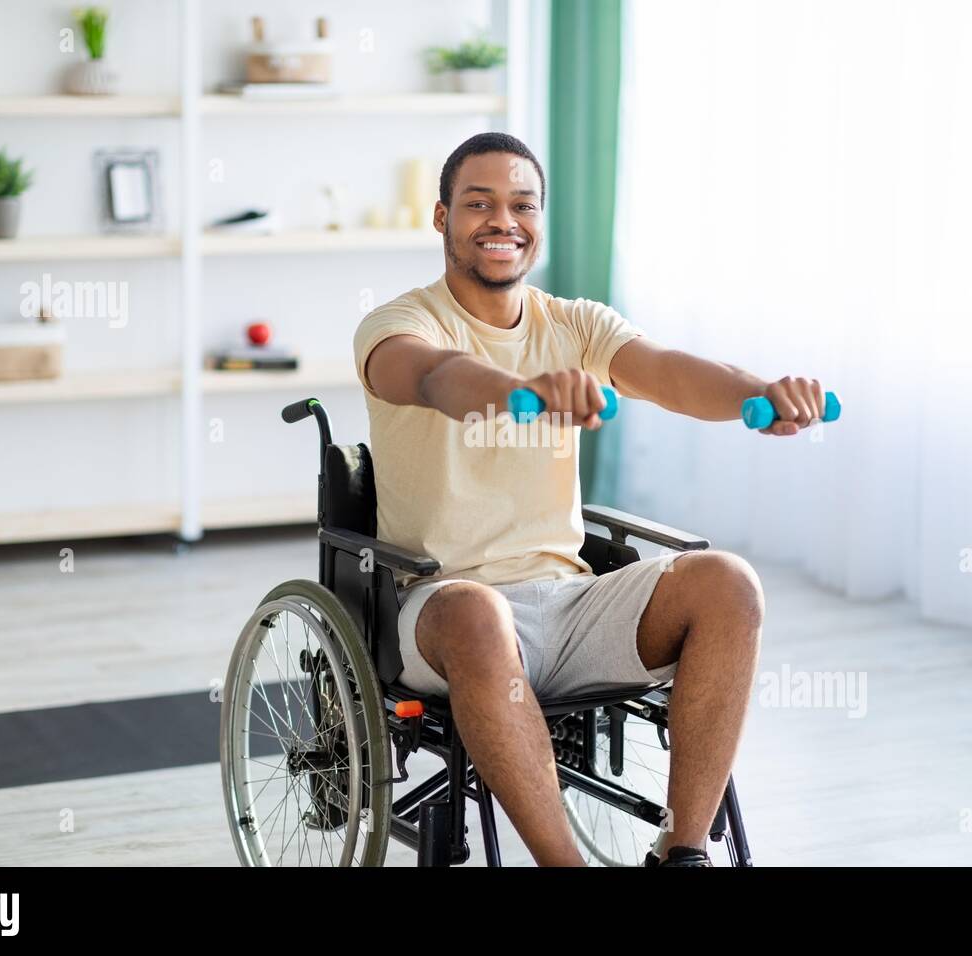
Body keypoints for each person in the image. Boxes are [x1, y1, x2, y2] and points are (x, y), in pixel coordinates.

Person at [354, 132, 827, 867]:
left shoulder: (572, 323)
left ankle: (684, 851)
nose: (501, 220)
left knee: (728, 583)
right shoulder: (398, 325)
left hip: (569, 602)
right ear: (442, 217)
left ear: (540, 220)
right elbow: (435, 378)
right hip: (442, 606)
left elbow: (670, 372)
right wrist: (521, 393)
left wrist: (759, 394)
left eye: (521, 204)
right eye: (478, 204)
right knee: (478, 611)